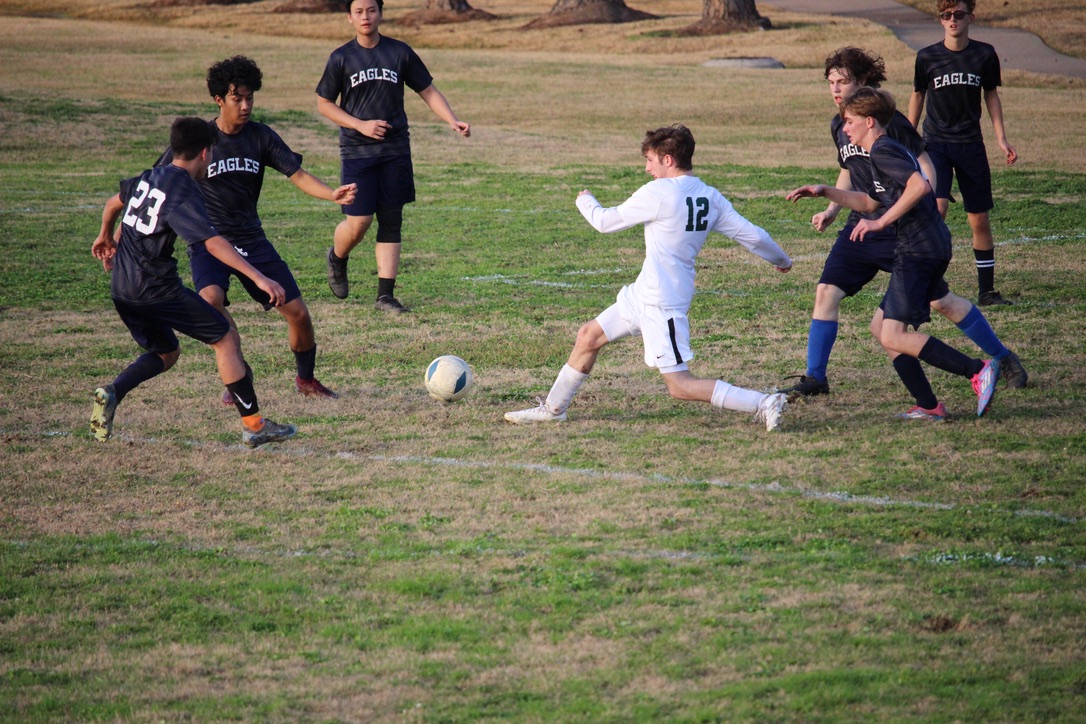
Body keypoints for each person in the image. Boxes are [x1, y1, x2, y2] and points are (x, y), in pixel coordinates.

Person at [505, 124, 793, 432]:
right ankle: (553, 410)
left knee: (679, 386)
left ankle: (763, 402)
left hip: (662, 303)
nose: (647, 168)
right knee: (588, 336)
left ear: (668, 160)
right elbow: (753, 236)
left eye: (650, 160)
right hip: (644, 293)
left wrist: (584, 200)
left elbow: (604, 222)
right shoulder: (710, 196)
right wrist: (782, 259)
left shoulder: (660, 192)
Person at [780, 47, 1026, 397]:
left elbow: (925, 165)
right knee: (826, 292)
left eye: (843, 81)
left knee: (940, 302)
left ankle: (1003, 358)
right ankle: (816, 377)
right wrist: (831, 207)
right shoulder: (841, 124)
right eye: (830, 82)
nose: (835, 89)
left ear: (863, 82)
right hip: (863, 222)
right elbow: (851, 169)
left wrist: (933, 203)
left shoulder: (888, 122)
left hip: (902, 229)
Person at [157, 56, 355, 405]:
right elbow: (159, 179)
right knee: (210, 301)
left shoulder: (261, 136)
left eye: (250, 97)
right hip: (210, 242)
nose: (245, 105)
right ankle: (238, 371)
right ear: (219, 99)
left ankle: (306, 379)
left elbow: (298, 175)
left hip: (251, 240)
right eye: (237, 98)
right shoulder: (201, 138)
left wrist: (331, 193)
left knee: (299, 316)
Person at [90, 117, 298, 448]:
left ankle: (112, 392)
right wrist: (259, 277)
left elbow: (114, 202)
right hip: (155, 288)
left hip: (122, 287)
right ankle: (255, 426)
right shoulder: (182, 188)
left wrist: (105, 236)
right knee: (224, 338)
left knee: (166, 352)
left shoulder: (151, 176)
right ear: (205, 152)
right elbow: (212, 243)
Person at [317, 0, 471, 312]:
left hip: (395, 149)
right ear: (349, 17)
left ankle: (385, 296)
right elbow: (325, 103)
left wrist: (451, 119)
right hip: (357, 151)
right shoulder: (341, 57)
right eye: (359, 11)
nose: (365, 16)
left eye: (371, 10)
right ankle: (338, 256)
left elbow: (427, 90)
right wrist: (360, 124)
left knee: (391, 218)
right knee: (358, 222)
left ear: (380, 14)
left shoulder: (399, 52)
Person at [908, 0, 1018, 306]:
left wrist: (1001, 139)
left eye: (958, 14)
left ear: (970, 16)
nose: (953, 20)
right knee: (937, 210)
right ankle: (929, 282)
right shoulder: (927, 56)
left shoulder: (984, 54)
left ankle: (987, 291)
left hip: (970, 145)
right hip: (935, 145)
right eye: (946, 15)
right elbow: (918, 95)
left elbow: (991, 95)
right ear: (940, 20)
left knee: (979, 219)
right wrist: (909, 136)